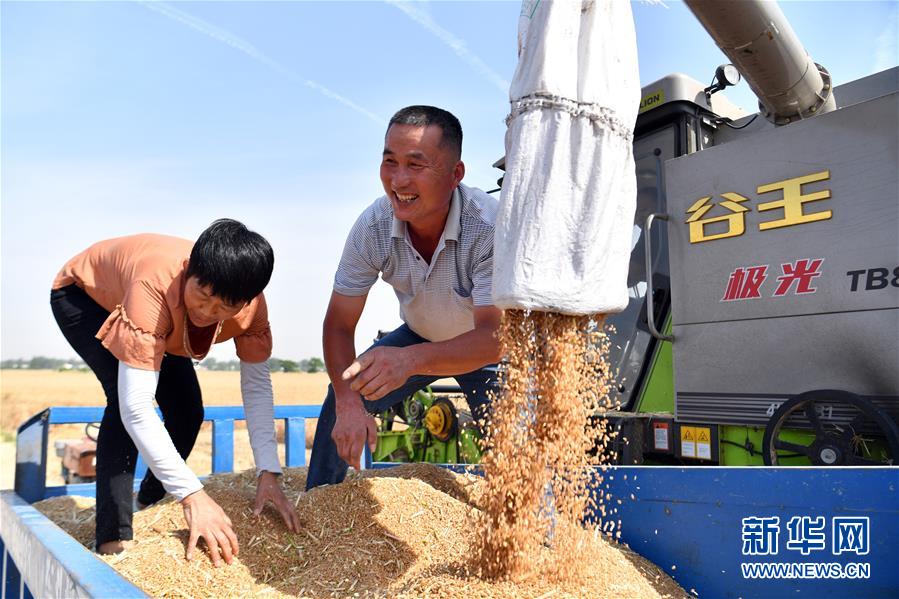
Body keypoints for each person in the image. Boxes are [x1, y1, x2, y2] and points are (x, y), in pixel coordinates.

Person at [50, 219, 300, 565]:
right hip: (83, 296)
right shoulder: (155, 284)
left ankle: (147, 501)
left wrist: (268, 471)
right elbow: (136, 406)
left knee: (187, 411)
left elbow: (256, 389)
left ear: (245, 302)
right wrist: (192, 494)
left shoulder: (253, 310)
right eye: (203, 295)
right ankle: (111, 539)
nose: (206, 312)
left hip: (158, 316)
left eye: (224, 307)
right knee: (121, 402)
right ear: (189, 273)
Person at [306, 105, 503, 490]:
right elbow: (339, 325)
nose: (398, 180)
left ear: (455, 175)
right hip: (420, 334)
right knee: (344, 390)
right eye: (389, 162)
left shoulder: (489, 227)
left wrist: (408, 361)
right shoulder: (373, 226)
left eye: (416, 165)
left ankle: (539, 535)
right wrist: (349, 401)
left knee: (519, 452)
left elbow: (494, 337)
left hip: (491, 352)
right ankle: (316, 507)